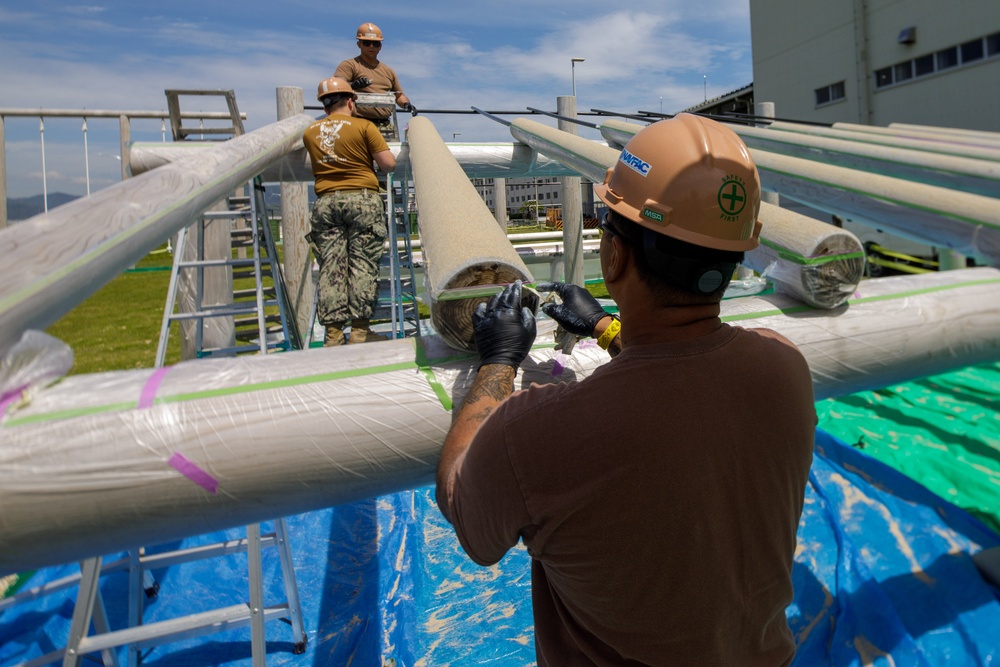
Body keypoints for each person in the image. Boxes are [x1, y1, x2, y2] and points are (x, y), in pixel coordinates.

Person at [435, 114, 817, 666]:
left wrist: (497, 362)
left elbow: (463, 504)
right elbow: (679, 378)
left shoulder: (535, 432)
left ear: (613, 256)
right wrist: (608, 329)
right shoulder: (782, 367)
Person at [302, 76, 396, 346]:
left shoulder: (311, 132)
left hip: (326, 202)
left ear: (324, 104)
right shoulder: (364, 126)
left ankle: (333, 336)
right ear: (350, 101)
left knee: (331, 268)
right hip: (361, 201)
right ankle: (359, 332)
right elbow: (388, 164)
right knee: (362, 265)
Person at [334, 22, 415, 139]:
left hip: (384, 126)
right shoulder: (349, 66)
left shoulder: (388, 71)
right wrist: (352, 86)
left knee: (390, 155)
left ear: (380, 47)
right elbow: (336, 88)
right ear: (359, 44)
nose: (371, 46)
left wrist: (407, 105)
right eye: (367, 43)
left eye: (376, 43)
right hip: (357, 122)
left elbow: (399, 95)